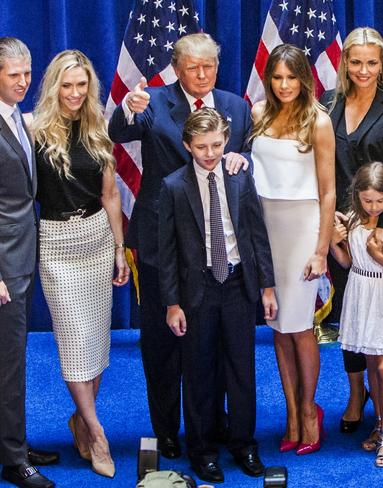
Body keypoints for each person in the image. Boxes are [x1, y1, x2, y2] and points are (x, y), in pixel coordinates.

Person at [108, 33, 251, 458]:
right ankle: (167, 429)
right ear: (177, 66)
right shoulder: (151, 100)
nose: (203, 75)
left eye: (209, 66)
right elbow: (118, 132)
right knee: (163, 345)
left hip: (216, 252)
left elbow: (241, 166)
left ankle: (217, 423)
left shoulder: (236, 107)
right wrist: (126, 110)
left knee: (218, 343)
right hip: (162, 246)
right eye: (193, 67)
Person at [158, 107, 276, 482]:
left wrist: (267, 286)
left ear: (226, 141)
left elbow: (257, 235)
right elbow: (168, 250)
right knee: (199, 372)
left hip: (239, 284)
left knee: (242, 368)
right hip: (198, 290)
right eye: (201, 147)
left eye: (216, 145)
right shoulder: (174, 186)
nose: (209, 153)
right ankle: (203, 449)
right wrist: (172, 303)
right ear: (187, 145)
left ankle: (243, 443)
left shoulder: (240, 177)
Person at [30, 49, 129, 479]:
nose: (74, 93)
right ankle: (97, 431)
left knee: (95, 342)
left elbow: (110, 195)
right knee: (73, 342)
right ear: (54, 86)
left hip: (96, 239)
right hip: (55, 243)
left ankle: (79, 422)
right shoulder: (32, 131)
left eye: (81, 85)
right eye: (66, 85)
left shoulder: (97, 129)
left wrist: (119, 248)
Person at [320, 26, 383, 438]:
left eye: (372, 62)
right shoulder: (328, 102)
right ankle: (357, 394)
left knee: (380, 315)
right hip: (342, 227)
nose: (363, 70)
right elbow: (321, 166)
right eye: (355, 62)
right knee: (350, 313)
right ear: (344, 64)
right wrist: (332, 221)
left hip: (381, 225)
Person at [250, 44, 335, 455]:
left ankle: (308, 410)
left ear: (305, 78)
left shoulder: (318, 121)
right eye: (277, 78)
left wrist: (321, 250)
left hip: (303, 227)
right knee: (278, 327)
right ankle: (289, 411)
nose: (284, 85)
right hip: (266, 227)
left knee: (300, 326)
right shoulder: (258, 114)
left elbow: (328, 190)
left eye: (291, 77)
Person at [329, 162, 383, 468]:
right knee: (370, 364)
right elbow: (346, 262)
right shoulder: (352, 219)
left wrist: (381, 258)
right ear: (357, 196)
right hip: (360, 293)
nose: (374, 206)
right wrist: (332, 240)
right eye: (368, 201)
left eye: (381, 200)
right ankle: (379, 422)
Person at [0, 37, 56, 488]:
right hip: (4, 266)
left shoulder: (18, 117)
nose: (23, 82)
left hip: (20, 255)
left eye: (26, 73)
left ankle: (12, 441)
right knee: (8, 362)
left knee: (11, 358)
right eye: (13, 75)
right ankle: (14, 459)